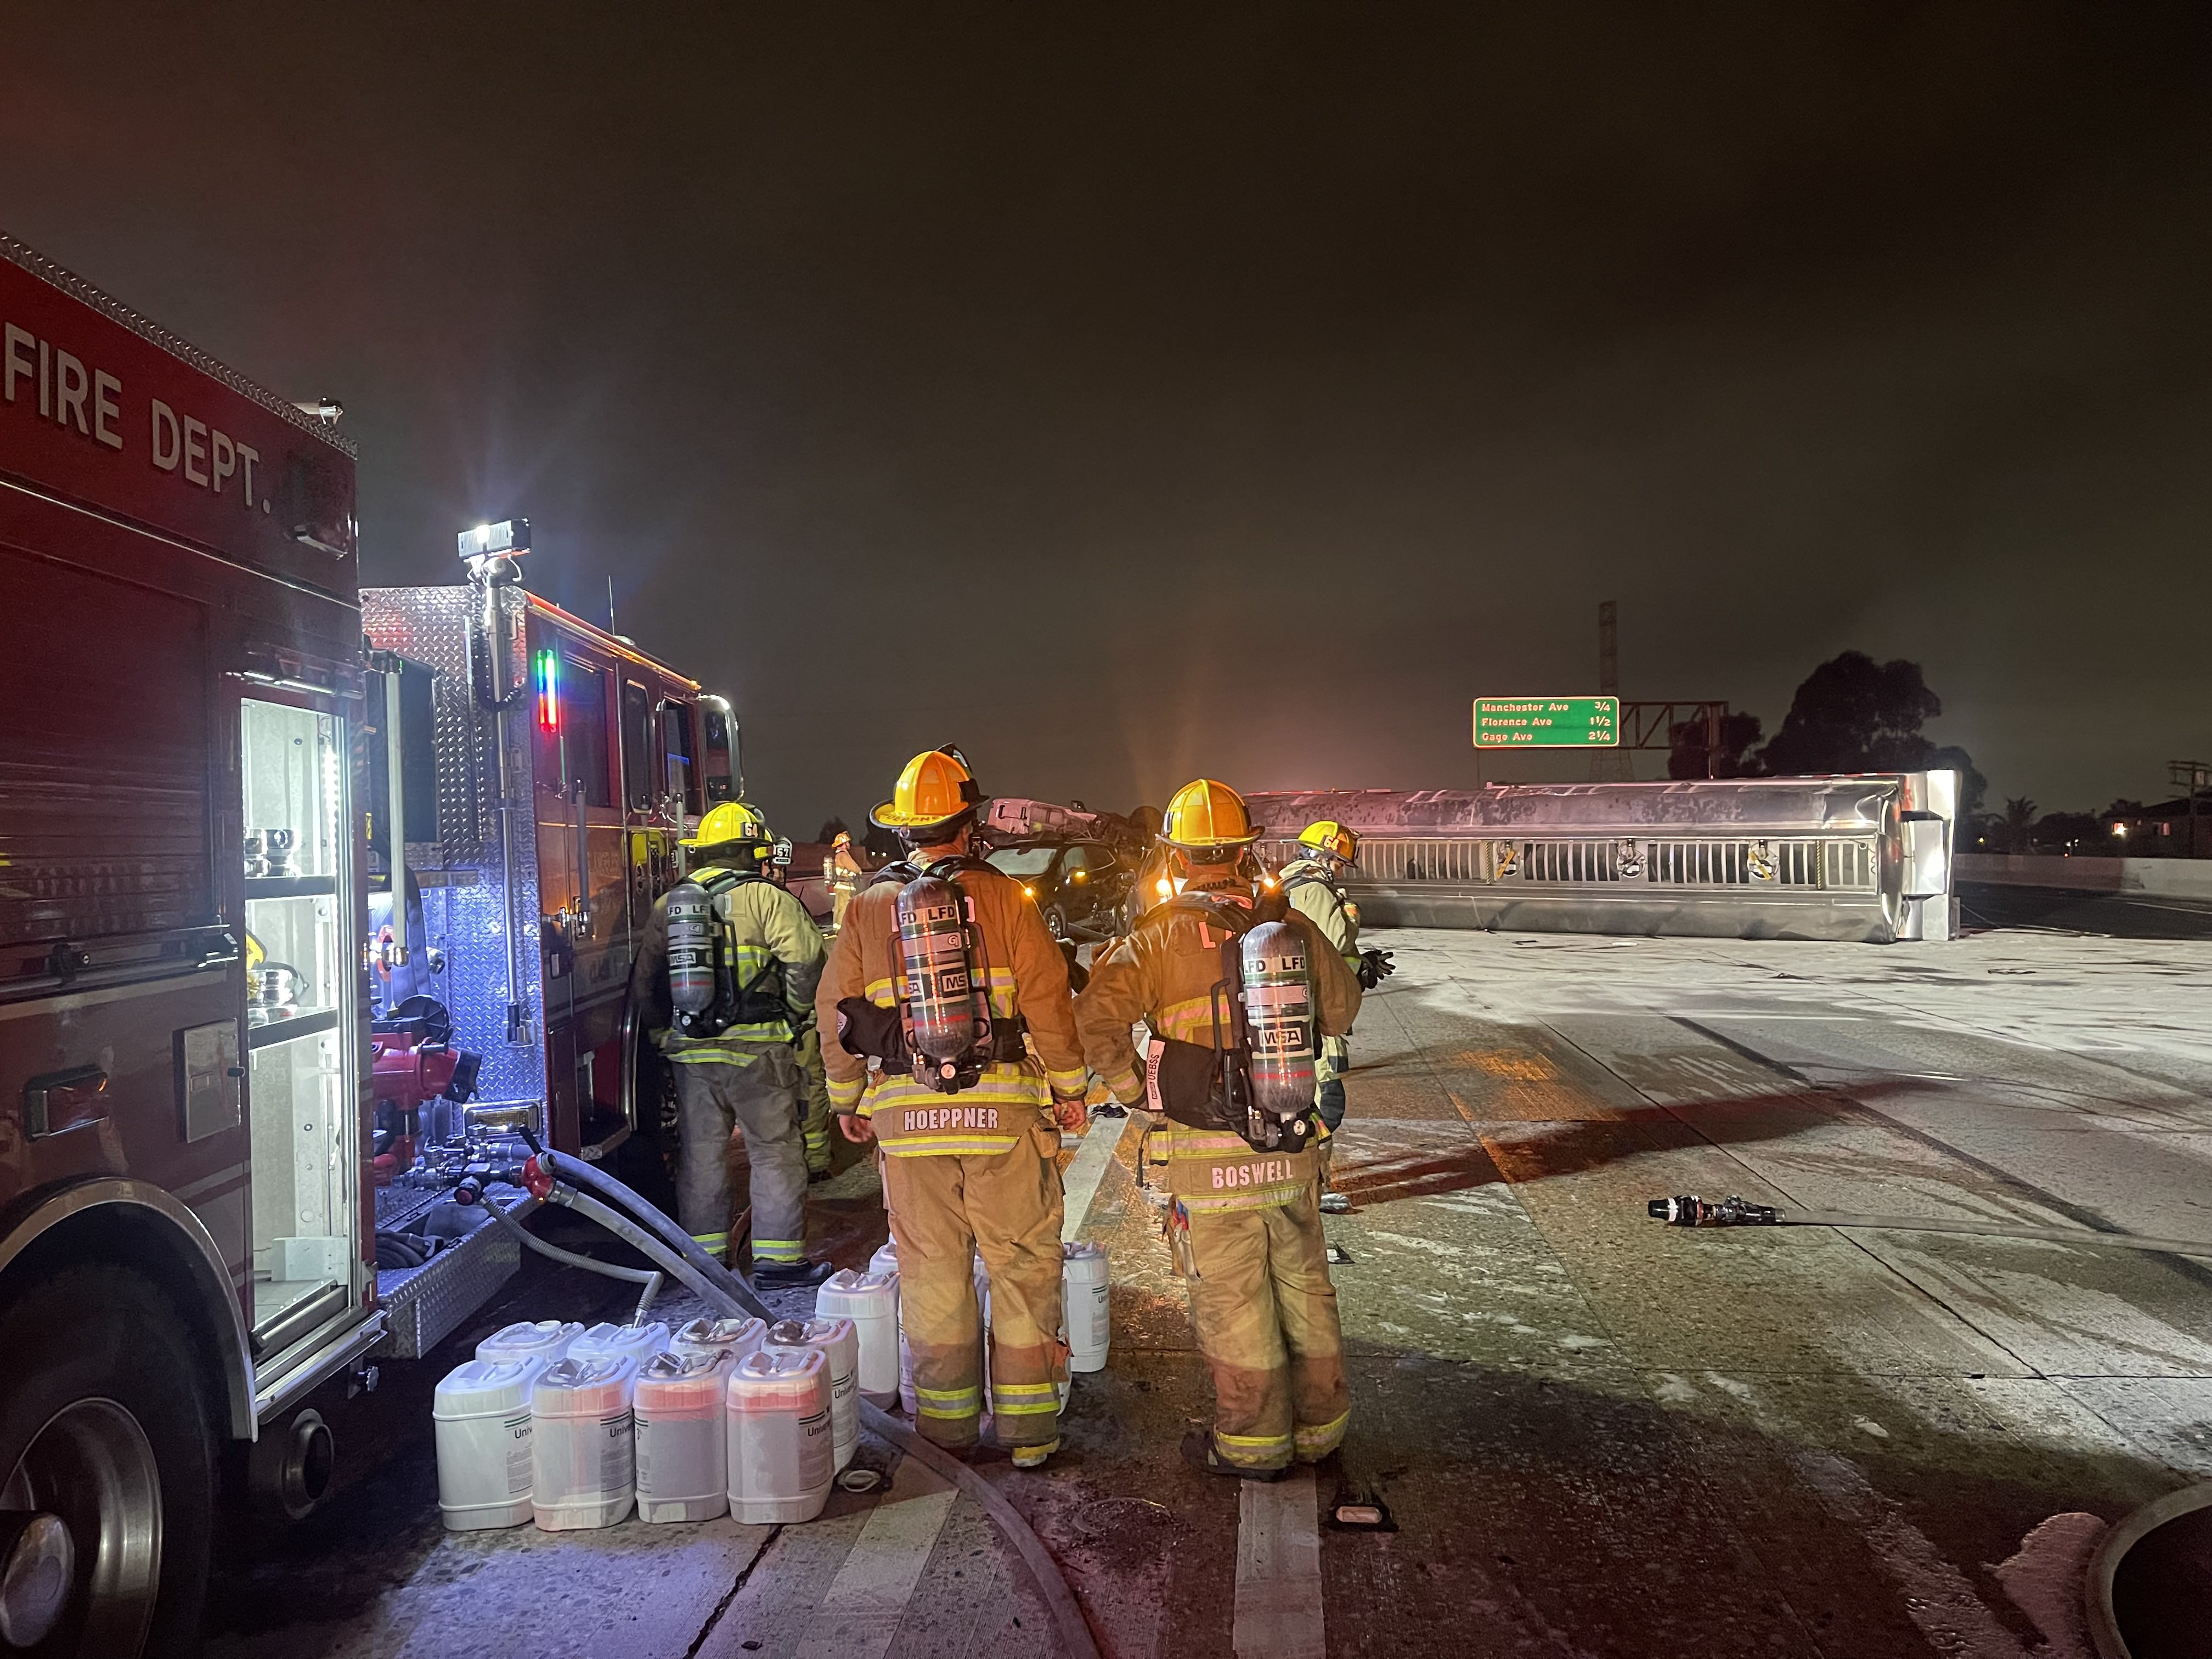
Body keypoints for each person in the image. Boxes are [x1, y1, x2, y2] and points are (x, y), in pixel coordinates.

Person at [1074, 779, 1363, 1480]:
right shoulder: (1286, 928)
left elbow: (1094, 1023)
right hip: (1289, 1142)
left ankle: (1252, 1443)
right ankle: (1322, 1429)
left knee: (1233, 1298)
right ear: (1242, 850)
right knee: (1302, 1285)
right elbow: (1344, 1010)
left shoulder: (1158, 936)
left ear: (1176, 853)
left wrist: (1138, 1092)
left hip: (1207, 1158)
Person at [816, 748, 1090, 1468]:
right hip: (1002, 1119)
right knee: (1023, 1265)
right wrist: (1070, 1090)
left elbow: (834, 1009)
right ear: (969, 825)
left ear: (906, 832)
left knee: (933, 1272)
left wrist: (848, 1098)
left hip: (907, 1121)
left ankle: (947, 1434)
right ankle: (1029, 1435)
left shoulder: (871, 905)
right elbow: (1049, 1002)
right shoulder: (1005, 898)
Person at [632, 801, 833, 1286]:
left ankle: (705, 1262)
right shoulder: (768, 899)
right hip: (758, 1050)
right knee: (775, 1151)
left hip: (692, 1054)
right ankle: (779, 1262)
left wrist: (664, 1034)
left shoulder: (671, 905)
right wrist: (793, 1013)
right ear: (749, 850)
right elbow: (807, 961)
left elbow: (645, 980)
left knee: (701, 1154)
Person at [1277, 821, 1392, 1211]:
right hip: (1317, 1016)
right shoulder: (1314, 891)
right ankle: (1309, 1190)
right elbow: (1334, 942)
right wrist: (1351, 917)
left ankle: (1306, 1186)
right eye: (1338, 862)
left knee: (1312, 1105)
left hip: (1309, 1010)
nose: (1340, 869)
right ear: (1321, 856)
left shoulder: (1295, 887)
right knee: (1324, 1104)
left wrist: (1360, 964)